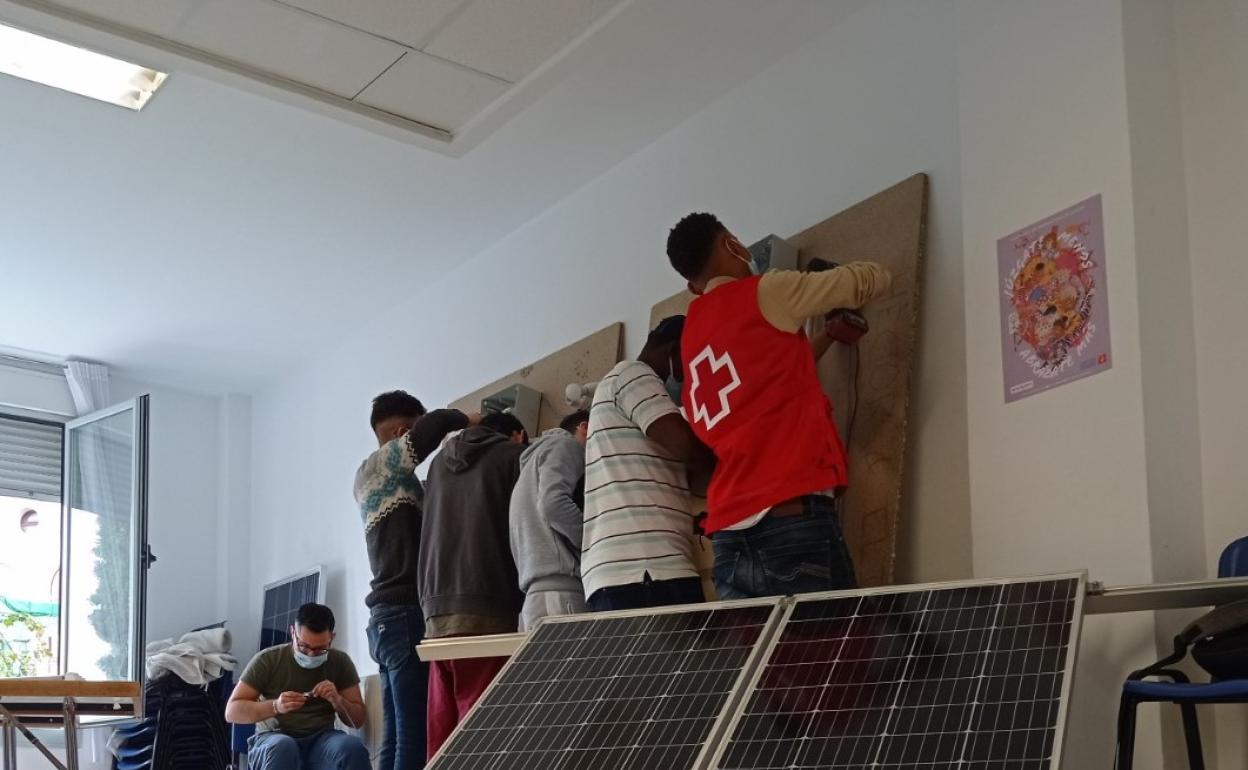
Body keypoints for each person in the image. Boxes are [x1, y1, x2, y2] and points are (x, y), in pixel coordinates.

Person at [665, 212, 892, 600]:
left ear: (691, 286)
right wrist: (853, 273)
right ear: (730, 243)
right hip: (790, 519)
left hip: (729, 538)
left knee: (767, 661)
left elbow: (764, 378)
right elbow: (870, 281)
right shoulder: (766, 291)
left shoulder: (692, 334)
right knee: (834, 655)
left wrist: (824, 337)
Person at [353, 391, 478, 770]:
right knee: (414, 733)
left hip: (390, 620)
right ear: (403, 431)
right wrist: (470, 420)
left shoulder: (397, 483)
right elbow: (437, 423)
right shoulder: (378, 468)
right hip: (403, 615)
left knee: (395, 735)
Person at [581, 316, 712, 611]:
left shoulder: (623, 390)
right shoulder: (633, 374)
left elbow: (697, 481)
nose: (687, 374)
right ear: (674, 348)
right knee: (685, 657)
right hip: (647, 570)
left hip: (630, 572)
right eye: (688, 361)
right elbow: (686, 446)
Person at [419, 412, 528, 759]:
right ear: (518, 435)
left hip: (436, 610)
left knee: (443, 733)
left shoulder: (437, 465)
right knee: (482, 736)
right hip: (485, 601)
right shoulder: (514, 456)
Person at [225, 603, 369, 770]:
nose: (310, 654)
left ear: (332, 637)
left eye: (320, 649)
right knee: (284, 747)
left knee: (352, 748)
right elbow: (232, 712)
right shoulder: (268, 660)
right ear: (292, 632)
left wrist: (337, 700)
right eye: (303, 646)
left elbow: (357, 721)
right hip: (274, 739)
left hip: (322, 740)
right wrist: (275, 706)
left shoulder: (340, 662)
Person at [509, 410, 590, 631]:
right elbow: (554, 503)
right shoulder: (566, 446)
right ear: (584, 427)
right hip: (561, 594)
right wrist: (594, 544)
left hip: (536, 596)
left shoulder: (530, 467)